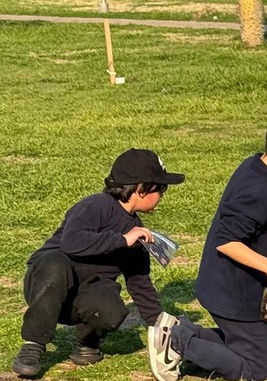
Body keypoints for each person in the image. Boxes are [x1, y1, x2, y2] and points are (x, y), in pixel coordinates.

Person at [147, 112, 267, 381]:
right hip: (232, 293)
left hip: (234, 287)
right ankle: (179, 344)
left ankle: (180, 331)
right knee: (258, 369)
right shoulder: (258, 191)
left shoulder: (255, 167)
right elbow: (226, 242)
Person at [11, 150, 184, 380]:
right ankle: (32, 346)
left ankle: (86, 343)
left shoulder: (137, 232)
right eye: (161, 189)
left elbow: (139, 281)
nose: (162, 196)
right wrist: (122, 239)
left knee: (112, 307)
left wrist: (158, 323)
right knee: (55, 265)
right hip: (45, 286)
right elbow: (71, 242)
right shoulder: (96, 205)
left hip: (82, 296)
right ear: (141, 189)